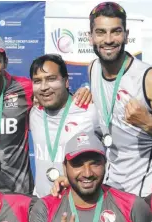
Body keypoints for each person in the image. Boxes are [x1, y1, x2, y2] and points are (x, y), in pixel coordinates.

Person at [0, 35, 92, 195]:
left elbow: (55, 93)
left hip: (20, 192)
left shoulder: (25, 87)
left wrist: (86, 89)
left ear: (5, 62)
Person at [88, 1, 152, 198]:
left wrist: (148, 124)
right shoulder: (93, 69)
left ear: (126, 35)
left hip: (145, 193)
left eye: (116, 31)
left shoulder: (150, 78)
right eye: (101, 32)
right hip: (109, 188)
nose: (108, 39)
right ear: (91, 37)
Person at [28, 54, 100, 197]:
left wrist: (88, 88)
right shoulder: (34, 112)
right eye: (37, 81)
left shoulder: (90, 111)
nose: (44, 87)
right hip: (42, 202)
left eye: (51, 79)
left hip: (79, 203)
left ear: (66, 81)